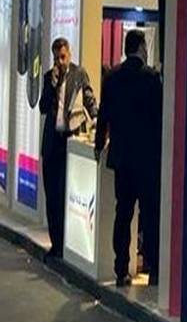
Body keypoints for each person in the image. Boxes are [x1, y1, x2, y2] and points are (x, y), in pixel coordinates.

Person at [95, 30, 163, 287]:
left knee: (123, 213)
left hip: (122, 158)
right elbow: (159, 118)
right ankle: (153, 269)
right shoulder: (151, 79)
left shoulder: (112, 78)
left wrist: (99, 144)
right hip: (147, 159)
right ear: (142, 48)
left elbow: (103, 115)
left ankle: (121, 269)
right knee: (150, 213)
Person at [39, 38, 96, 259]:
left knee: (65, 195)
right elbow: (43, 107)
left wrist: (97, 121)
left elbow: (89, 99)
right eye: (56, 58)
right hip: (52, 143)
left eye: (62, 57)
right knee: (52, 196)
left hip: (69, 142)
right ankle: (56, 245)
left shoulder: (79, 74)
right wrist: (52, 85)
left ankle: (68, 245)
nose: (60, 62)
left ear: (69, 54)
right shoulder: (49, 77)